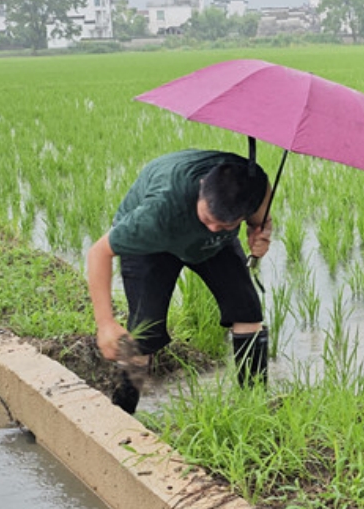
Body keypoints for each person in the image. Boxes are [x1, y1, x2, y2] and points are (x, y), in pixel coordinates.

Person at [86, 148, 274, 414]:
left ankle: (254, 409)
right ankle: (121, 414)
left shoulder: (255, 187)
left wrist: (261, 235)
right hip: (152, 247)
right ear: (200, 189)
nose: (212, 228)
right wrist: (105, 324)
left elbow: (261, 221)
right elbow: (98, 252)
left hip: (212, 249)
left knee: (247, 312)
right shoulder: (157, 212)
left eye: (224, 225)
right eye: (208, 219)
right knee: (143, 336)